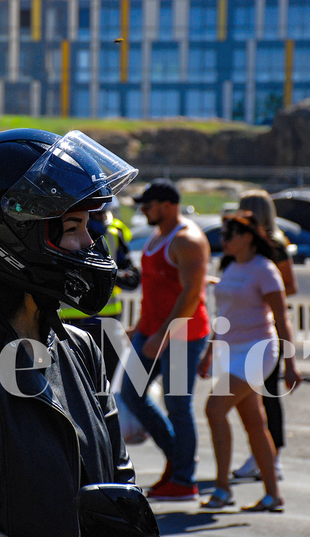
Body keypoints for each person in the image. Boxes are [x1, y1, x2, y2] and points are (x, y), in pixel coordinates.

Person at [0, 129, 138, 537]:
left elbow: (120, 488)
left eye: (88, 225)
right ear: (13, 237)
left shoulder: (83, 349)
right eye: (72, 227)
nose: (90, 242)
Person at [198, 211, 303, 513]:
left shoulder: (264, 269)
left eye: (229, 235)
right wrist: (209, 352)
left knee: (214, 409)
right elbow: (223, 315)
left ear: (247, 237)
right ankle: (273, 495)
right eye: (222, 235)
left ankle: (222, 489)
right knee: (255, 424)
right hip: (231, 352)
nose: (224, 241)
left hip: (259, 351)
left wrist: (291, 364)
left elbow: (282, 320)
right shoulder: (229, 265)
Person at [119, 178, 211, 501]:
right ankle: (177, 460)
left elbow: (191, 296)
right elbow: (156, 290)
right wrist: (141, 327)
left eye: (148, 205)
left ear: (168, 205)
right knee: (131, 393)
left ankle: (184, 481)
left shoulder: (188, 240)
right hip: (154, 331)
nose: (143, 210)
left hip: (182, 334)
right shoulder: (158, 235)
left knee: (177, 406)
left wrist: (162, 334)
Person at [232, 190, 298, 481]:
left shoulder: (273, 246)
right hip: (246, 331)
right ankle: (262, 455)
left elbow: (288, 287)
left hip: (265, 330)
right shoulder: (248, 247)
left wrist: (263, 293)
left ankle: (274, 457)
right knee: (252, 399)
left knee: (267, 395)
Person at [60, 199, 141, 381]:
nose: (100, 218)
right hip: (68, 319)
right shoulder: (61, 228)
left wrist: (106, 273)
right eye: (95, 214)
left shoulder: (114, 232)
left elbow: (132, 278)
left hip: (105, 320)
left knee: (103, 384)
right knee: (70, 381)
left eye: (102, 213)